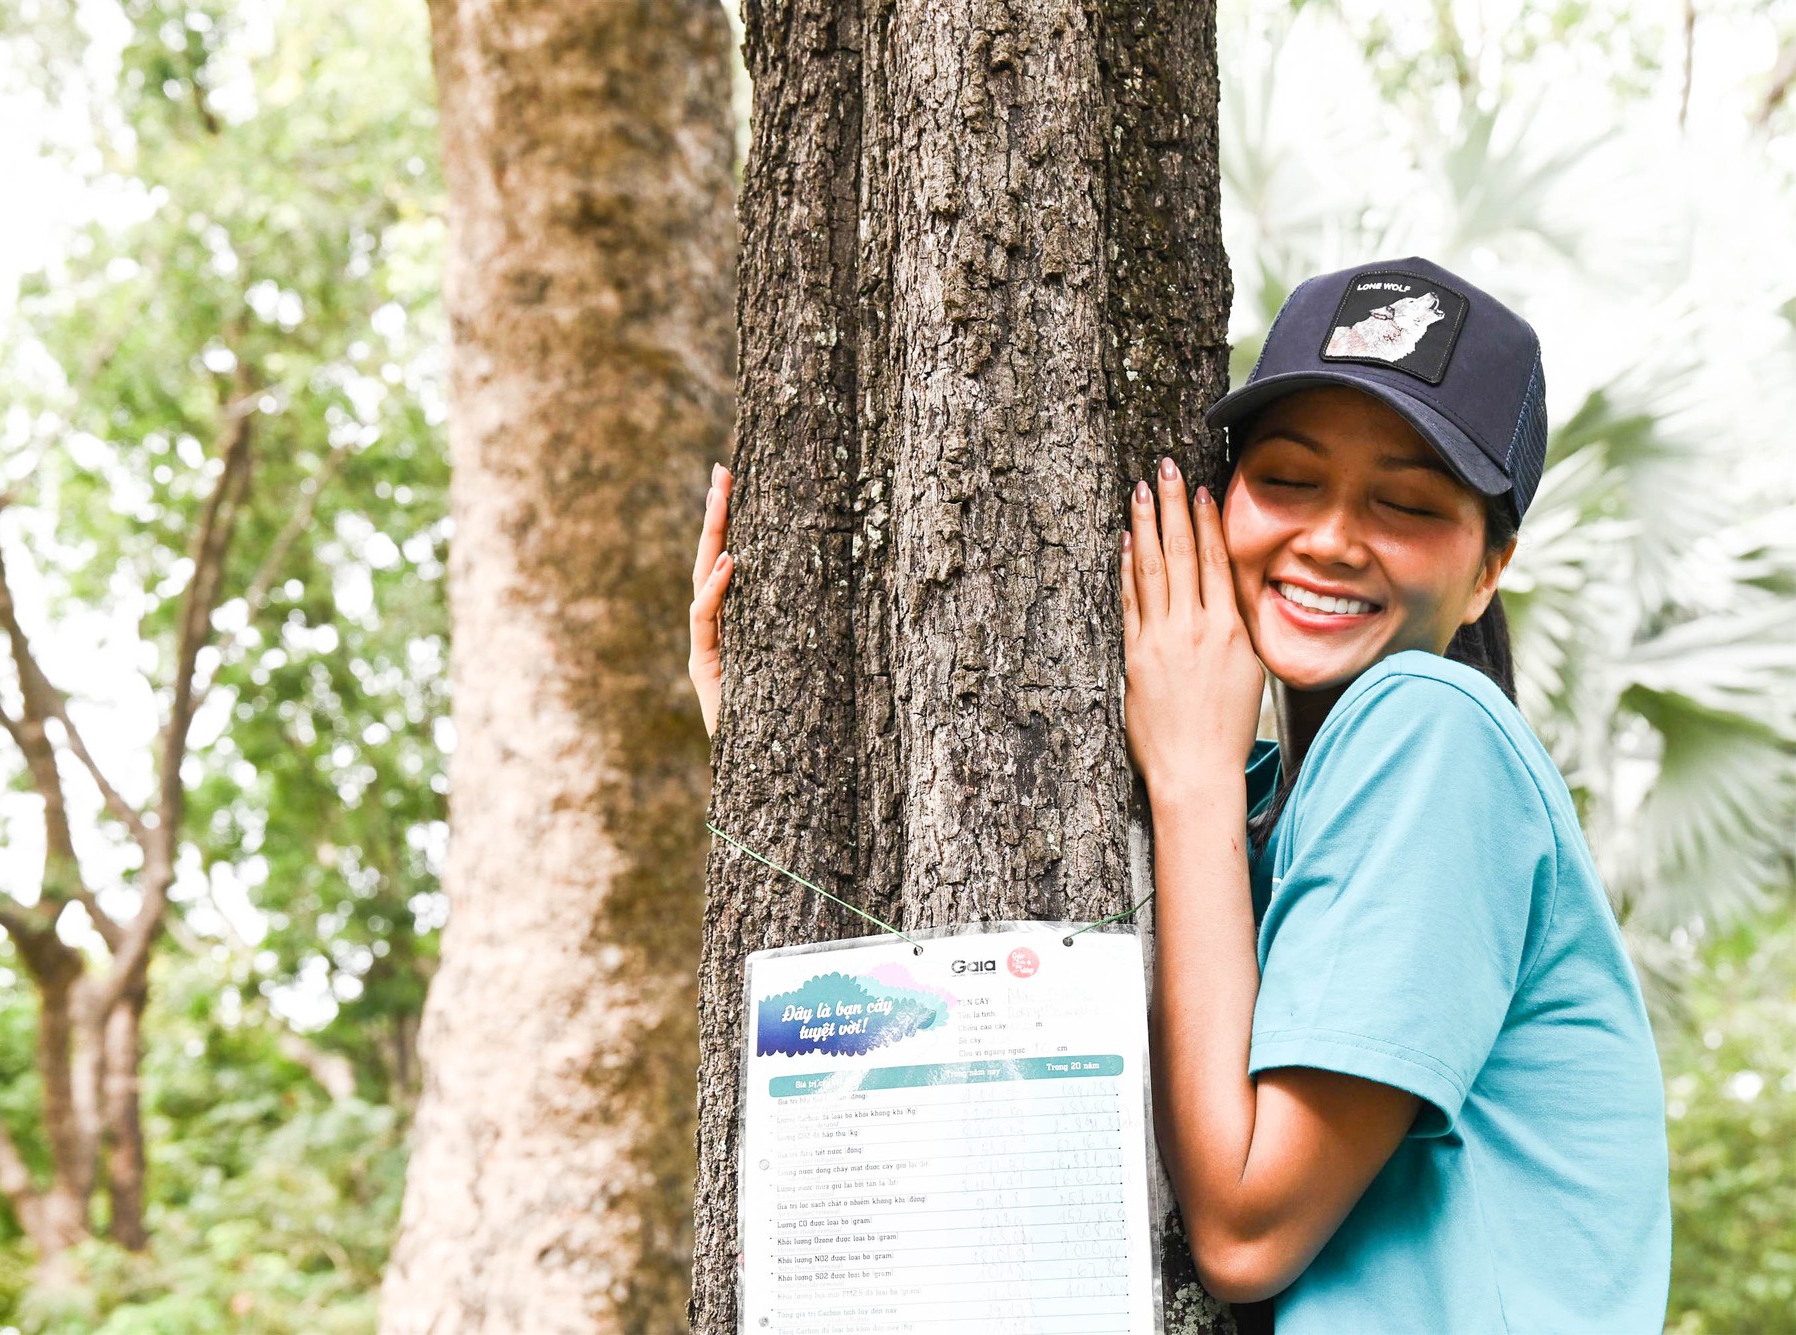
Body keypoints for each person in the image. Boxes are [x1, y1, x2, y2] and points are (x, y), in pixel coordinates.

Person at [685, 256, 1671, 1331]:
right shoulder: (1272, 809)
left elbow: (1246, 1228)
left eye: (1403, 503)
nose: (1332, 537)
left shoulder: (1431, 726)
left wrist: (1193, 778)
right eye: (1287, 480)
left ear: (1488, 569)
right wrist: (775, 751)